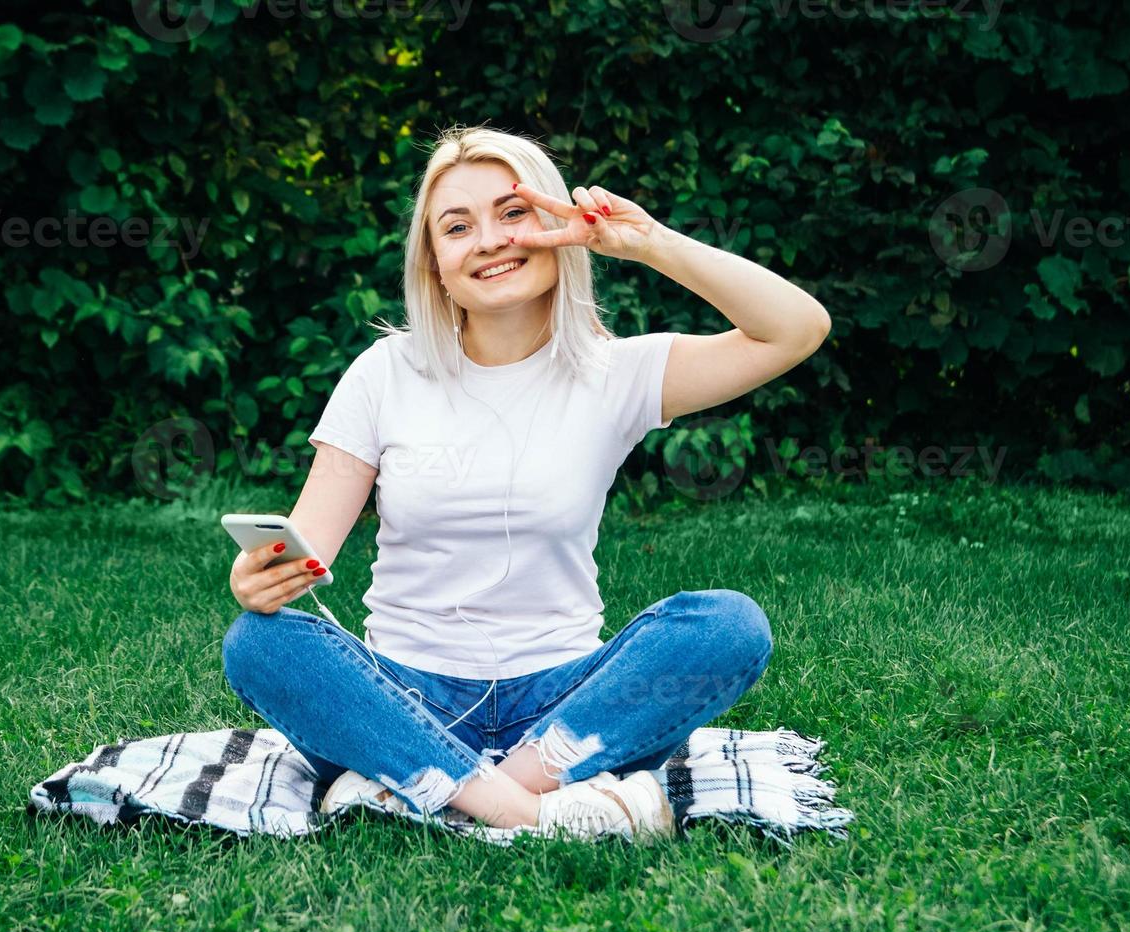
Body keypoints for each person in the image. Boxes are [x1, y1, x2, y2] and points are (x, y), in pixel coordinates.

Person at [222, 124, 831, 841]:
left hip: (564, 707)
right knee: (258, 643)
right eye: (457, 227)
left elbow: (796, 328)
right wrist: (256, 577)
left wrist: (647, 242)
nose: (488, 240)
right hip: (405, 693)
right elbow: (304, 548)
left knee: (728, 627)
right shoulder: (385, 372)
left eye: (512, 213)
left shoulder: (617, 373)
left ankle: (431, 787)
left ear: (556, 225)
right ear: (436, 265)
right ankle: (530, 813)